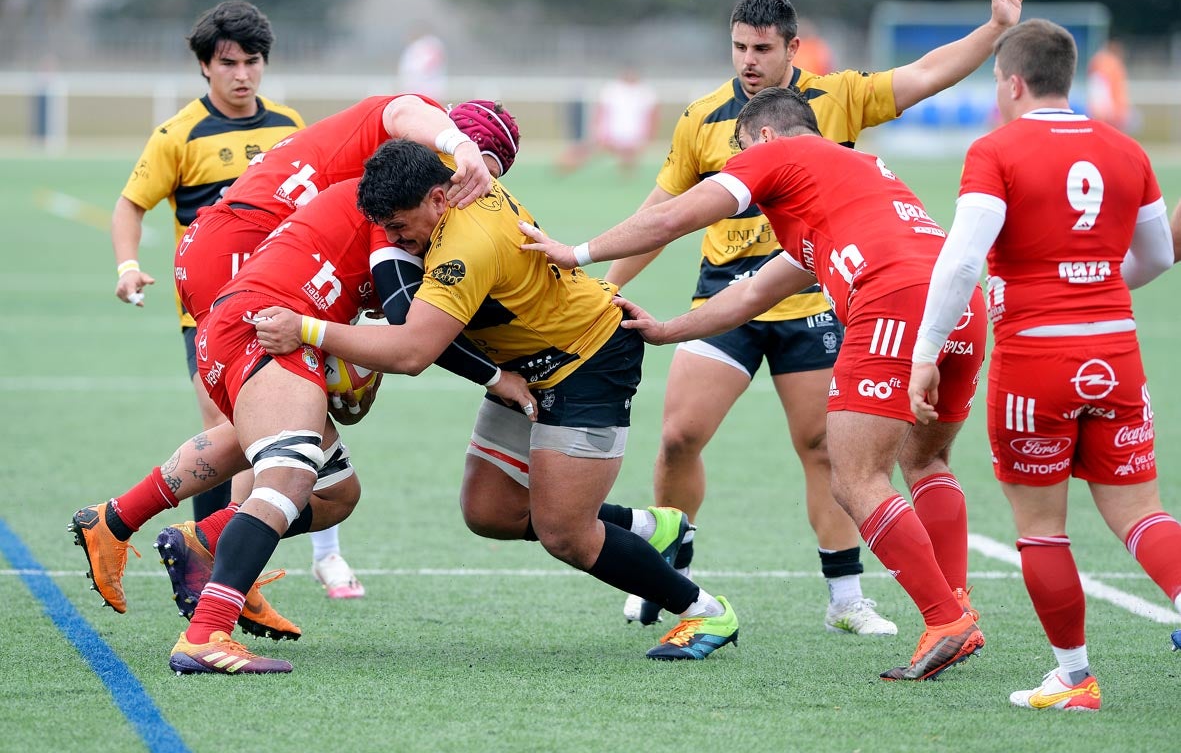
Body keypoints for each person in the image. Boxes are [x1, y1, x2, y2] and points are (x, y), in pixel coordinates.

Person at [598, 0, 1030, 633]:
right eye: (739, 46)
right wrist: (607, 284)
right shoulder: (701, 118)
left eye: (762, 48)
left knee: (826, 450)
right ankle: (672, 564)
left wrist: (995, 29)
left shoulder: (837, 98)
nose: (748, 61)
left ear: (791, 49)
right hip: (726, 294)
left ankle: (846, 597)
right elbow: (662, 209)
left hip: (816, 296)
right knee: (680, 434)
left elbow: (925, 73)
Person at [519, 86, 987, 681]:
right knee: (928, 462)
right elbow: (753, 293)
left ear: (763, 136)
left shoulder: (776, 153)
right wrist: (667, 330)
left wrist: (575, 252)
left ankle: (945, 619)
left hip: (893, 299)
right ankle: (958, 602)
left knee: (856, 477)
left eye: (737, 151)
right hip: (959, 301)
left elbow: (672, 216)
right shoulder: (849, 182)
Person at [252, 139, 741, 668]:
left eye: (399, 226)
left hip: (588, 360)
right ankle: (652, 527)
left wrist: (306, 329)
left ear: (439, 199)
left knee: (565, 533)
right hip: (524, 366)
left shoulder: (465, 245)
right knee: (488, 511)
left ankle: (704, 610)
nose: (394, 241)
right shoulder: (456, 191)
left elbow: (414, 350)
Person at [71, 98, 521, 628]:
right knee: (286, 467)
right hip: (245, 275)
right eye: (475, 179)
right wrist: (493, 368)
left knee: (323, 482)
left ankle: (138, 524)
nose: (475, 196)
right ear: (447, 160)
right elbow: (410, 338)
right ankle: (219, 603)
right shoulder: (397, 187)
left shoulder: (387, 188)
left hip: (240, 271)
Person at [908, 19, 1179, 711]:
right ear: (1071, 77)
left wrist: (926, 350)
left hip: (1034, 357)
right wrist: (1092, 279)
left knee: (1041, 526)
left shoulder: (996, 148)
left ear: (1011, 82)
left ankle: (1073, 676)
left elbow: (963, 257)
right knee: (1140, 513)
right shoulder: (1125, 150)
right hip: (1116, 349)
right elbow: (1153, 257)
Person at [111, 0, 302, 529]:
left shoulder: (290, 127)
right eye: (228, 63)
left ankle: (224, 554)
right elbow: (130, 205)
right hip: (209, 312)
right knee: (227, 429)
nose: (243, 74)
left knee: (276, 433)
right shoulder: (179, 135)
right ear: (204, 66)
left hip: (281, 306)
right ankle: (207, 558)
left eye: (252, 61)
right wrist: (127, 266)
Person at [558, 67, 659, 177]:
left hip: (632, 135)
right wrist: (599, 131)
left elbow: (652, 115)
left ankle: (626, 179)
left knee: (628, 158)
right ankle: (565, 165)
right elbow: (601, 112)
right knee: (590, 153)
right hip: (611, 134)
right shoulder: (612, 90)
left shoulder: (645, 92)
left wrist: (648, 135)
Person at [1086, 37, 1132, 132]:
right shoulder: (1105, 63)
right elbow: (1099, 86)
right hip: (1109, 111)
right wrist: (1104, 110)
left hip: (1113, 110)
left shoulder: (1109, 63)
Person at [397, 24, 448, 102]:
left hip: (426, 88)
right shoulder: (417, 46)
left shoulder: (429, 44)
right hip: (418, 88)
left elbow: (426, 66)